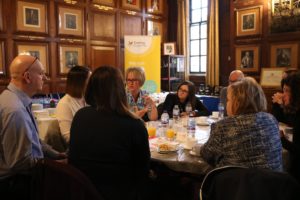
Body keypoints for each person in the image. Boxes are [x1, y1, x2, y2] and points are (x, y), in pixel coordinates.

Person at [69, 66, 150, 200]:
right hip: (118, 192)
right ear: (120, 90)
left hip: (81, 188)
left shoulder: (80, 115)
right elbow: (142, 171)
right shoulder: (134, 125)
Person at [0, 55, 65, 197]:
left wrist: (55, 154)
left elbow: (33, 139)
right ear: (27, 77)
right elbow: (19, 163)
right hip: (15, 186)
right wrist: (57, 166)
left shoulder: (13, 98)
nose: (46, 78)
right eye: (41, 74)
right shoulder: (15, 110)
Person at [200, 77, 283, 171]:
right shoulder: (271, 120)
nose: (226, 104)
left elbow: (207, 155)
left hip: (235, 184)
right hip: (274, 184)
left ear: (238, 102)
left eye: (228, 100)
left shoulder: (223, 126)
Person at [272, 72, 300, 182]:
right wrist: (277, 105)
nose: (283, 95)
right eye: (283, 90)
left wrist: (282, 140)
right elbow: (279, 119)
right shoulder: (295, 111)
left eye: (287, 91)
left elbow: (298, 149)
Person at [55, 66, 91, 143]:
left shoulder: (88, 99)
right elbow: (67, 136)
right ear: (80, 82)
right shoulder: (65, 104)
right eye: (89, 79)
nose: (92, 82)